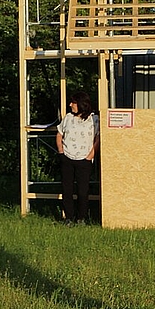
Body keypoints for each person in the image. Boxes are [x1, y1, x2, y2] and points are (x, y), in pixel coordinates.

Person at [56, 91, 100, 225]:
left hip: (84, 159)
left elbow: (98, 138)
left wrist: (90, 156)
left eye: (73, 103)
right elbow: (59, 134)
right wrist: (61, 152)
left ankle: (82, 217)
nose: (70, 105)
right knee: (67, 189)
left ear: (81, 104)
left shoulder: (94, 119)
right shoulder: (68, 118)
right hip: (67, 157)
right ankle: (69, 217)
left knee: (83, 190)